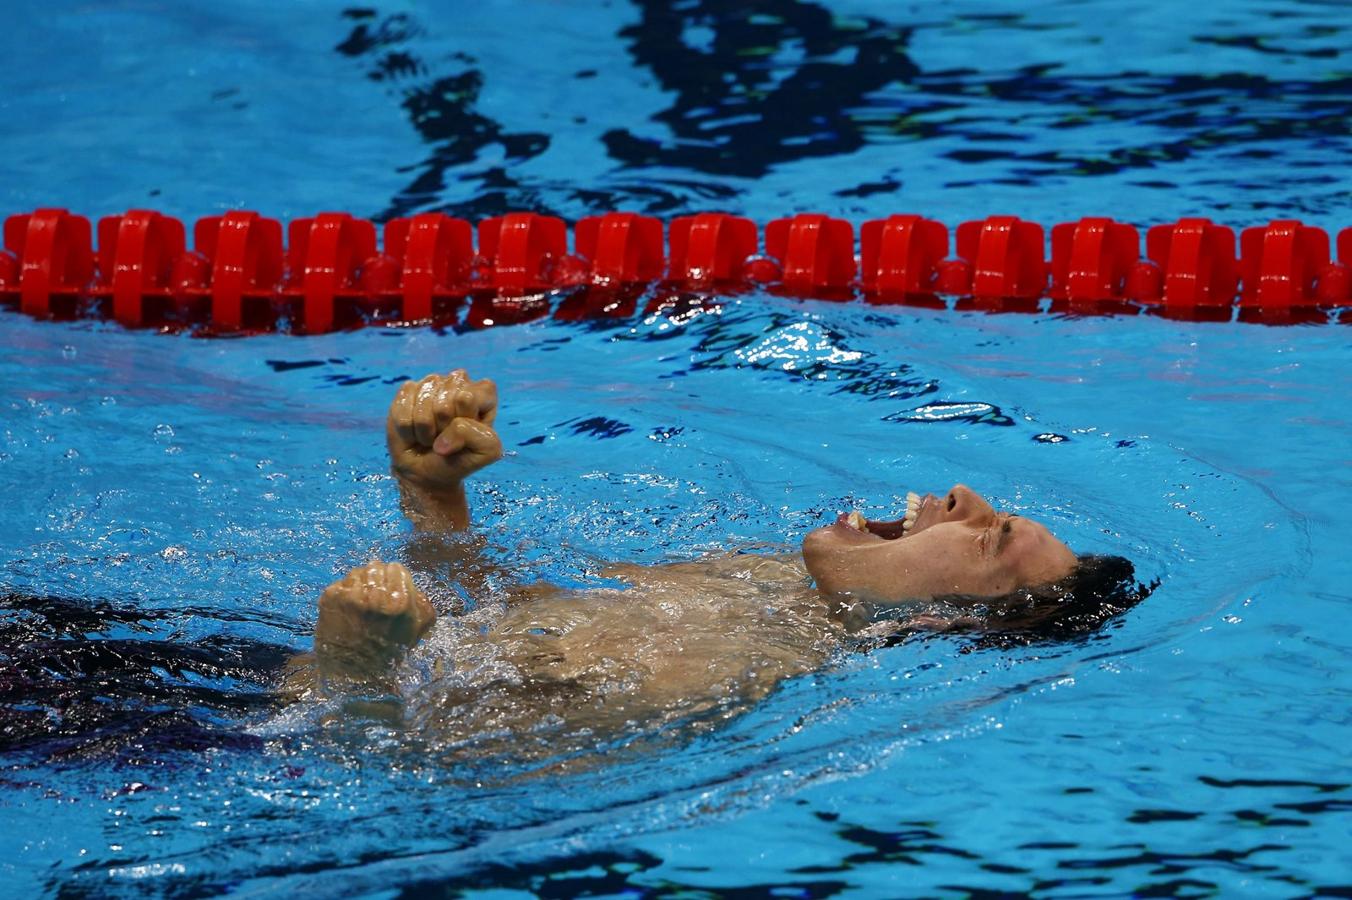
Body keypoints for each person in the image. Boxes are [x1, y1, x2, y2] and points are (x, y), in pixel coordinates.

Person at [298, 370, 1147, 749]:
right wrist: (434, 499)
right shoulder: (762, 582)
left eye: (991, 535)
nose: (964, 495)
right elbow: (504, 618)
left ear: (943, 618)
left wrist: (363, 677)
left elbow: (439, 759)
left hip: (224, 741)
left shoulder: (725, 670)